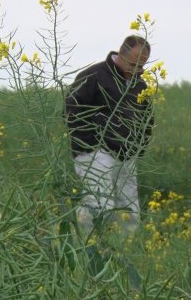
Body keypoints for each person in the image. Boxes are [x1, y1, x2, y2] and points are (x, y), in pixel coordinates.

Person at [65, 35, 153, 233]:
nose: (137, 70)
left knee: (129, 205)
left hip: (126, 153)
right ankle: (90, 247)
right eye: (133, 64)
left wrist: (139, 146)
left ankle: (126, 248)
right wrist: (92, 145)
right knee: (98, 203)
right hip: (94, 153)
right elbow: (71, 110)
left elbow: (147, 118)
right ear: (121, 54)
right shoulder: (93, 75)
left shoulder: (139, 85)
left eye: (142, 66)